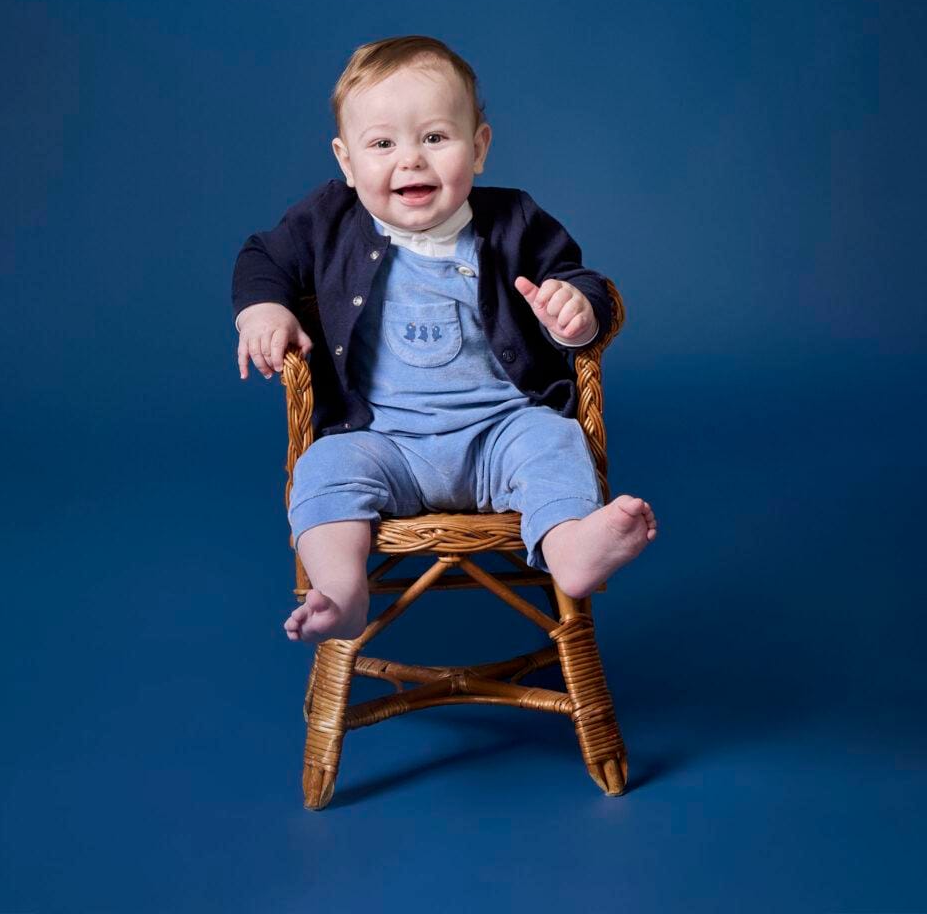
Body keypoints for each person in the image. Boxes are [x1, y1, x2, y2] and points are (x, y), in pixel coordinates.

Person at [231, 35, 657, 644]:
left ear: (478, 147)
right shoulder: (328, 219)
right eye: (381, 144)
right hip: (383, 442)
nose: (411, 161)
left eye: (435, 137)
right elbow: (262, 257)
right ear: (346, 162)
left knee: (556, 441)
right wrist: (263, 312)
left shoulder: (514, 218)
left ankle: (571, 547)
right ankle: (341, 593)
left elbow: (574, 276)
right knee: (323, 467)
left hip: (500, 433)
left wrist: (576, 309)